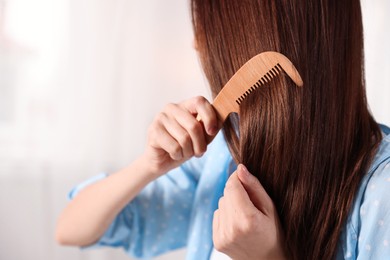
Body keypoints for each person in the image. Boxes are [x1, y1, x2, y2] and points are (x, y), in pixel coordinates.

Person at [56, 0, 390, 259]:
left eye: (208, 28)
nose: (196, 44)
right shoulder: (221, 153)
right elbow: (70, 229)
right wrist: (149, 164)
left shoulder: (381, 191)